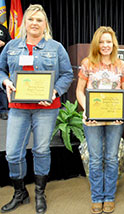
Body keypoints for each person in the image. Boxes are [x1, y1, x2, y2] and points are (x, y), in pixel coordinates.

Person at [0, 4, 73, 214]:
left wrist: (55, 92)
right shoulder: (12, 46)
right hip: (18, 107)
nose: (35, 23)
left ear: (45, 25)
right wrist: (5, 82)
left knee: (41, 150)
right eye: (31, 19)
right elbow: (0, 70)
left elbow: (67, 74)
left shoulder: (56, 48)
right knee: (13, 154)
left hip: (46, 108)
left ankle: (40, 193)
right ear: (25, 23)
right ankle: (20, 192)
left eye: (39, 20)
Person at [76, 26, 124, 214]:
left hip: (114, 120)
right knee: (96, 158)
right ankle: (97, 197)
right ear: (96, 44)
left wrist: (122, 109)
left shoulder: (121, 65)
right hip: (93, 120)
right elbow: (79, 91)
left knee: (112, 158)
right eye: (102, 41)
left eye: (109, 41)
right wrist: (86, 111)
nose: (105, 45)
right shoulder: (87, 63)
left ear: (113, 43)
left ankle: (109, 196)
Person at [0, 23, 11, 120]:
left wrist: (3, 43)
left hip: (2, 60)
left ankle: (4, 111)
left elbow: (10, 43)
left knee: (2, 87)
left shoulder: (3, 29)